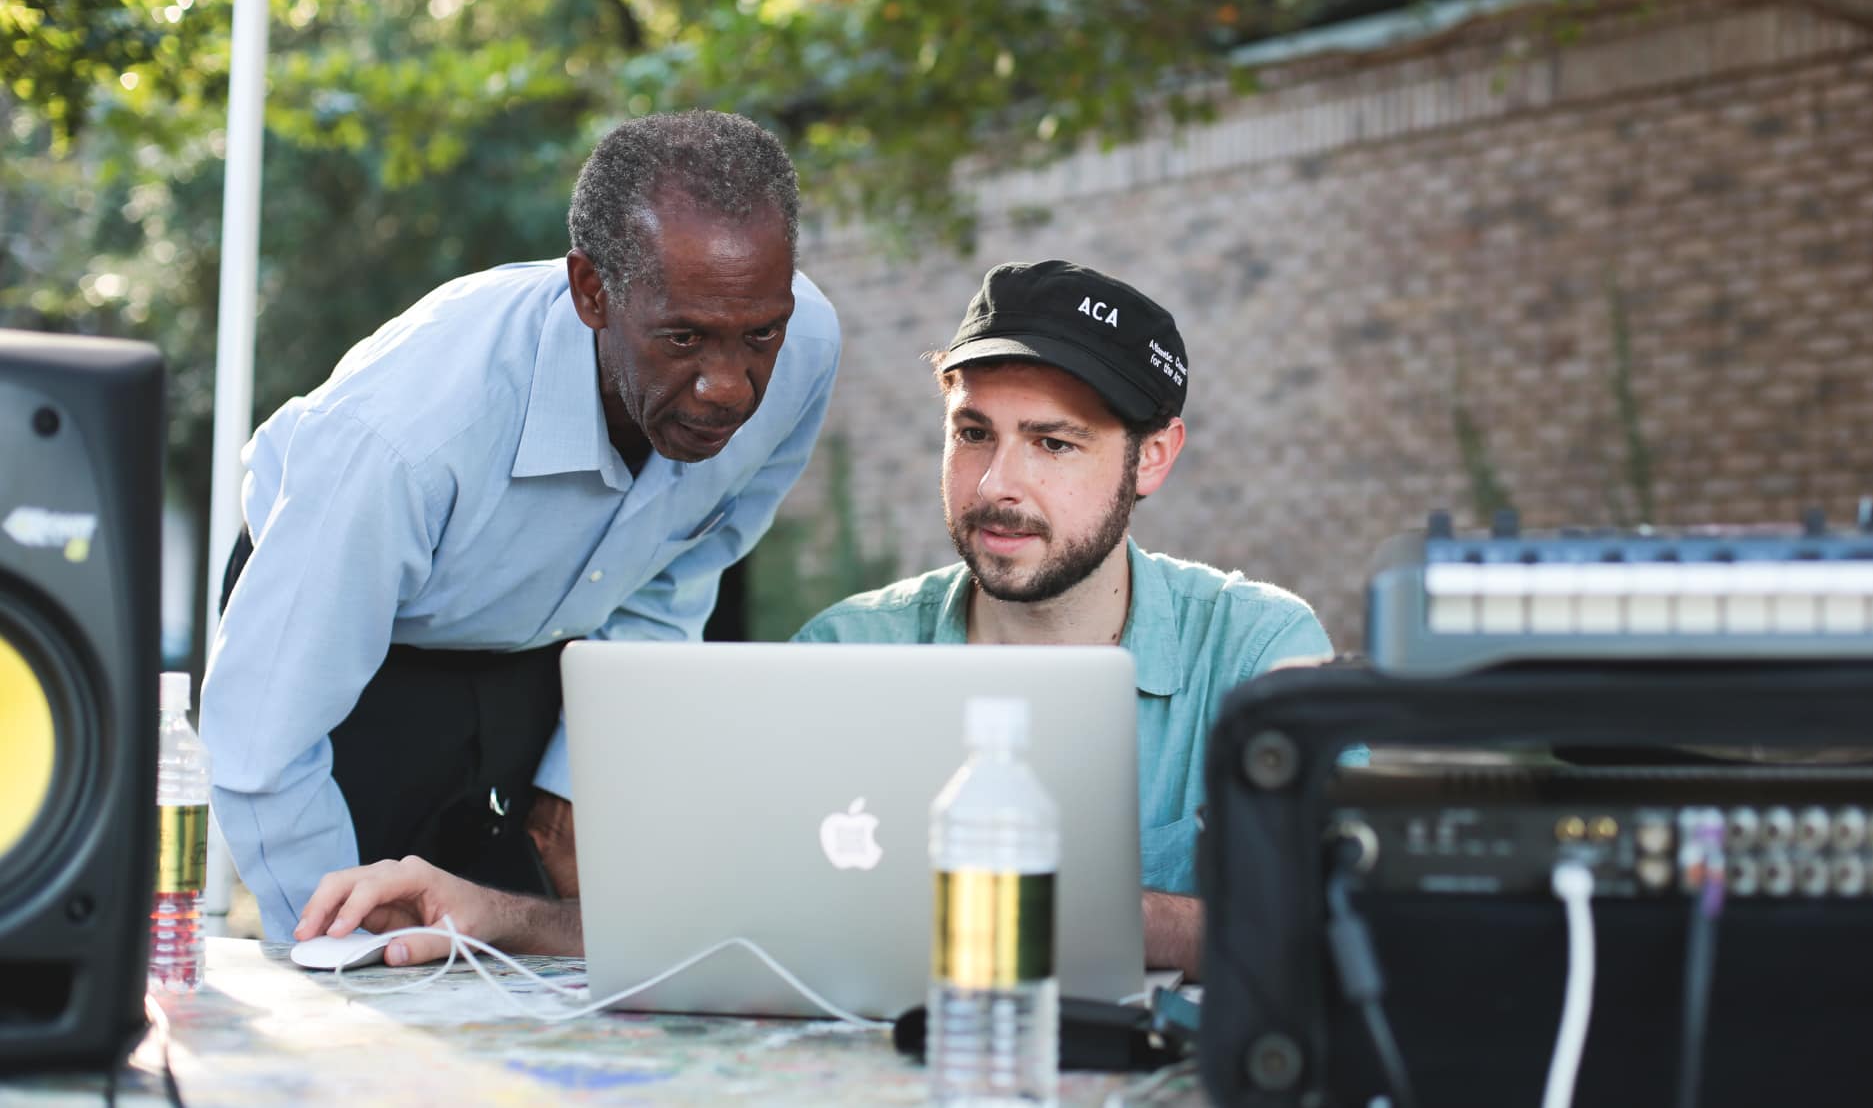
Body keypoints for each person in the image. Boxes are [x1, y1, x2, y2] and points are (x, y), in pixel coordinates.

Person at [292, 260, 1329, 978]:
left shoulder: (1257, 650)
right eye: (973, 432)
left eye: (1052, 443)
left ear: (1152, 457)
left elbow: (1331, 922)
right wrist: (494, 914)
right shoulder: (845, 653)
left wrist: (1023, 906)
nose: (996, 484)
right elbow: (718, 919)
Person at [202, 109, 842, 938]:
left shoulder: (807, 348)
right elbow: (262, 738)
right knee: (383, 951)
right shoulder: (402, 440)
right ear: (591, 292)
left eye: (759, 334)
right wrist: (339, 944)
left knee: (525, 942)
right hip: (364, 657)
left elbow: (682, 567)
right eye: (684, 336)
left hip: (544, 650)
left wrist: (577, 773)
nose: (730, 386)